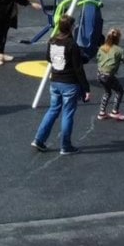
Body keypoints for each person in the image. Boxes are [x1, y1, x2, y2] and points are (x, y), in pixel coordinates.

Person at [32, 14, 91, 155]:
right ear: (71, 27)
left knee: (53, 110)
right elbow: (78, 69)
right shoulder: (72, 45)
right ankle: (66, 145)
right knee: (67, 114)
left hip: (55, 81)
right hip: (69, 83)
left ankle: (39, 139)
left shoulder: (52, 40)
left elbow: (49, 58)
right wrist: (86, 88)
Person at [95, 28, 124, 120]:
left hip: (100, 75)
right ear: (118, 39)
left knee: (107, 92)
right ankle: (114, 112)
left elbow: (98, 58)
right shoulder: (119, 50)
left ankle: (102, 112)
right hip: (108, 76)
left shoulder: (102, 47)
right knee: (120, 91)